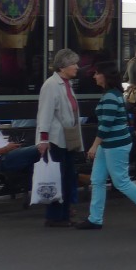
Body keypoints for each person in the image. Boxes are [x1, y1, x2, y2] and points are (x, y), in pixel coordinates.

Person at [76, 60, 136, 230]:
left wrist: (94, 146)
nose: (95, 76)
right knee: (99, 180)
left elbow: (106, 125)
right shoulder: (113, 94)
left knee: (119, 181)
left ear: (105, 76)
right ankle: (95, 218)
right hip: (113, 144)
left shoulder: (110, 96)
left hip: (113, 144)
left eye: (97, 73)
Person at [36, 48, 83, 227]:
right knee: (58, 177)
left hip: (67, 138)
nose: (77, 67)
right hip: (55, 139)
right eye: (73, 64)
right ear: (63, 66)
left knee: (68, 176)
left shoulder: (66, 83)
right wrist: (43, 139)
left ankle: (64, 214)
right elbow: (45, 114)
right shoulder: (51, 85)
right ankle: (56, 216)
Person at [0, 95, 40, 176]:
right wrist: (5, 149)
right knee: (40, 149)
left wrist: (10, 147)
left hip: (8, 154)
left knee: (37, 163)